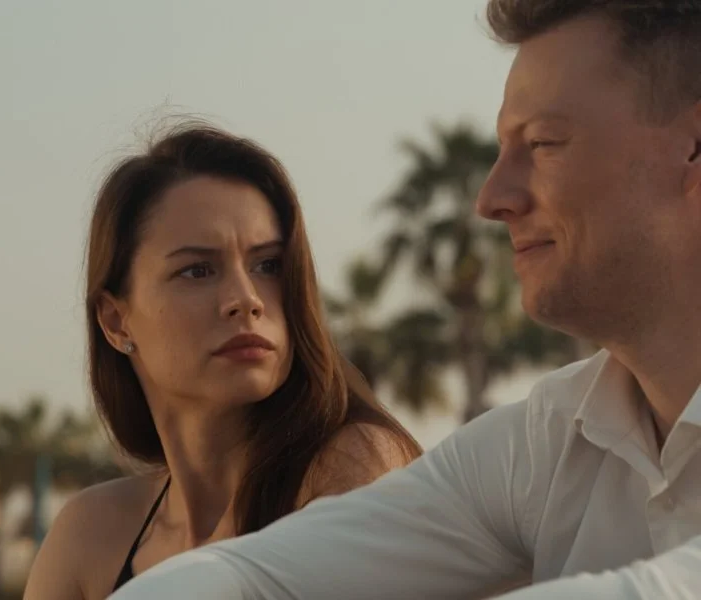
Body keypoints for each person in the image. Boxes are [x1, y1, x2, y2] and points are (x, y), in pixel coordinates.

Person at [108, 1, 701, 598]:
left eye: (545, 143)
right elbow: (259, 576)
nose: (492, 198)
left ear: (693, 148)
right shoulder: (553, 438)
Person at [22, 123, 421, 600]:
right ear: (116, 321)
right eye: (197, 270)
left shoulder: (350, 466)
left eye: (268, 265)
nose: (246, 299)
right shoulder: (92, 533)